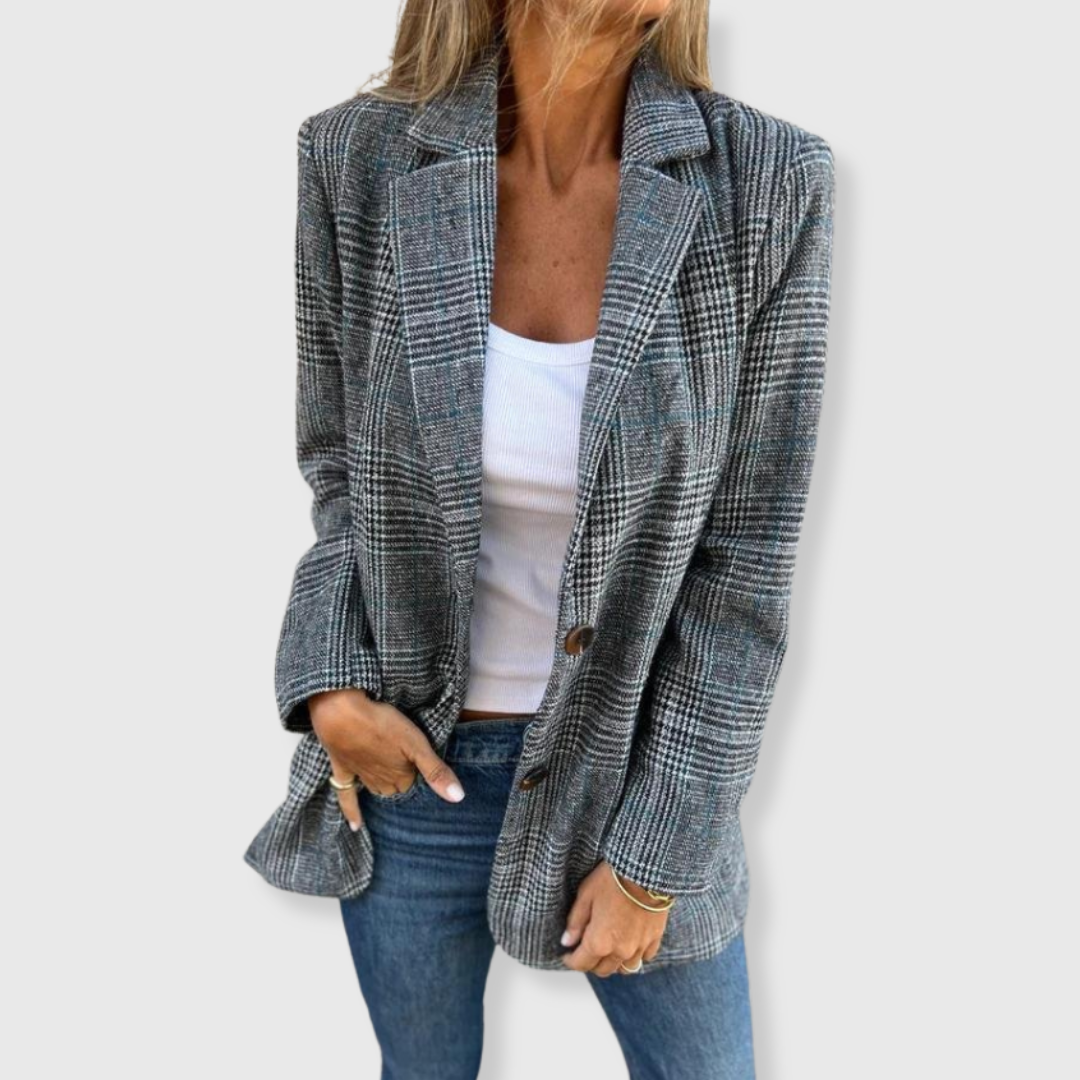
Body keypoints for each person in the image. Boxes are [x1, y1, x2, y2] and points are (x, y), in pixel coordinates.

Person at [244, 0, 836, 1075]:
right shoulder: (357, 158)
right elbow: (337, 476)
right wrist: (328, 691)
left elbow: (745, 565)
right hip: (411, 772)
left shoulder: (765, 181)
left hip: (635, 770)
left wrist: (655, 857)